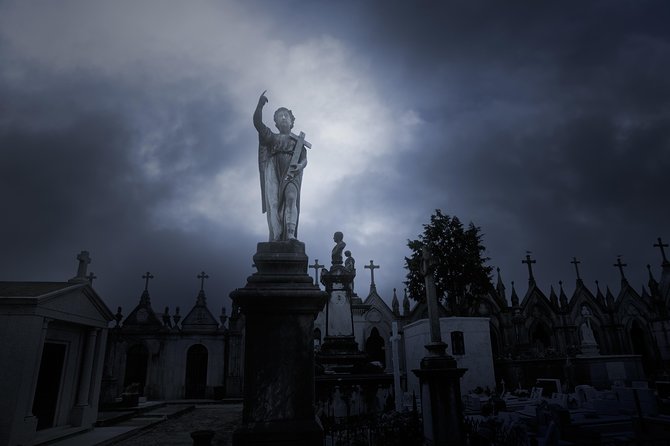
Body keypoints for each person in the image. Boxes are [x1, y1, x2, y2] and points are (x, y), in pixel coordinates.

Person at [254, 90, 308, 241]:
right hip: (274, 171)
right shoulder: (272, 137)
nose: (283, 118)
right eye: (280, 117)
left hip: (292, 172)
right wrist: (259, 107)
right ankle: (277, 234)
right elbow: (258, 124)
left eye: (286, 116)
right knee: (275, 203)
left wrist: (300, 166)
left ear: (292, 121)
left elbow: (304, 159)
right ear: (276, 123)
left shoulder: (298, 142)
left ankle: (290, 233)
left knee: (291, 197)